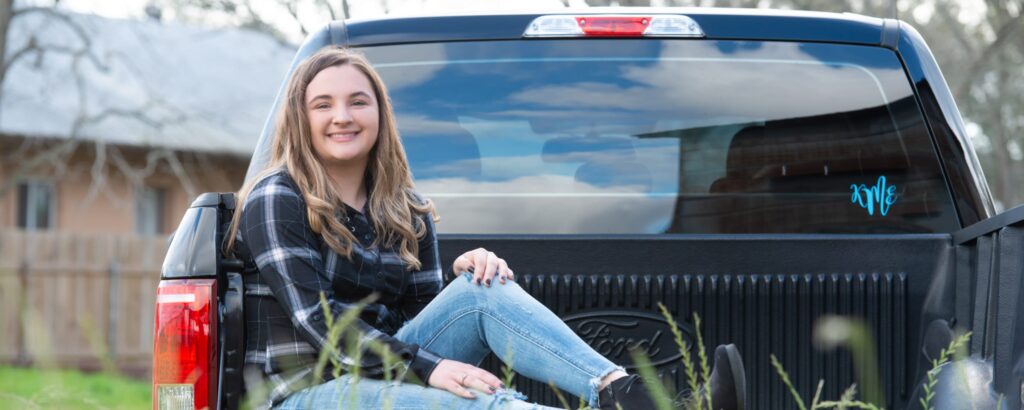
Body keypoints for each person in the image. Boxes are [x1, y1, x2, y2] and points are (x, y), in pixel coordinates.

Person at [225, 46, 746, 410]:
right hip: (306, 393)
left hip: (382, 373)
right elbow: (327, 328)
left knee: (480, 287)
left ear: (380, 113)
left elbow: (415, 320)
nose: (343, 116)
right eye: (324, 104)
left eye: (358, 101)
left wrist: (455, 280)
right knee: (486, 403)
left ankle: (626, 396)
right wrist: (430, 370)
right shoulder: (279, 198)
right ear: (301, 118)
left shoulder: (405, 209)